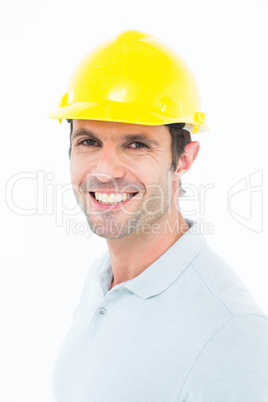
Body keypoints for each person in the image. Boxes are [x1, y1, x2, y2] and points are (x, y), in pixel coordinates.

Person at [48, 30, 268, 401]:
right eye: (89, 141)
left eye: (136, 144)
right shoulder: (101, 280)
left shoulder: (232, 334)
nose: (105, 170)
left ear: (183, 159)